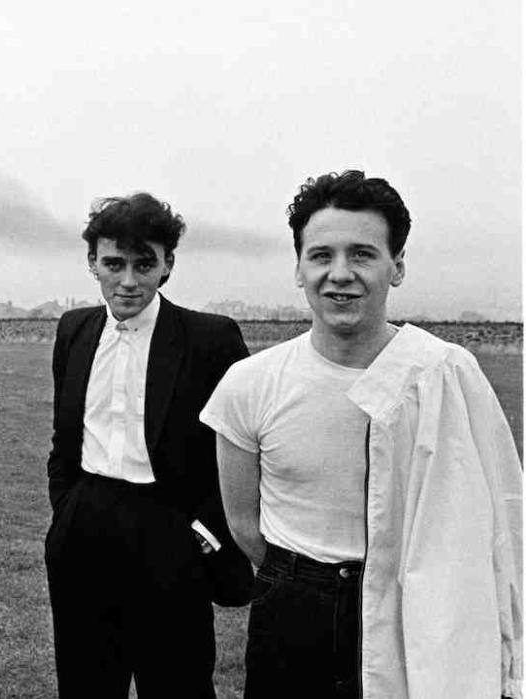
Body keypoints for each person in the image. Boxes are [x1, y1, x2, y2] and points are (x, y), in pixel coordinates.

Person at [200, 169, 523, 699]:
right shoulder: (249, 383)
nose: (340, 273)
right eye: (321, 255)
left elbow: (499, 513)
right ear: (299, 269)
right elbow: (242, 523)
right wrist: (308, 583)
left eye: (363, 254)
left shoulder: (445, 375)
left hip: (412, 602)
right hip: (292, 607)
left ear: (396, 267)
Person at [44, 192, 254, 698]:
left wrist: (201, 536)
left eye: (145, 264)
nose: (129, 280)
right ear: (92, 262)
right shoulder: (74, 330)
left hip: (169, 532)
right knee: (86, 685)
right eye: (114, 264)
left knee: (177, 685)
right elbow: (64, 437)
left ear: (168, 265)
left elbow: (237, 452)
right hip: (84, 527)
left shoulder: (210, 339)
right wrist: (67, 510)